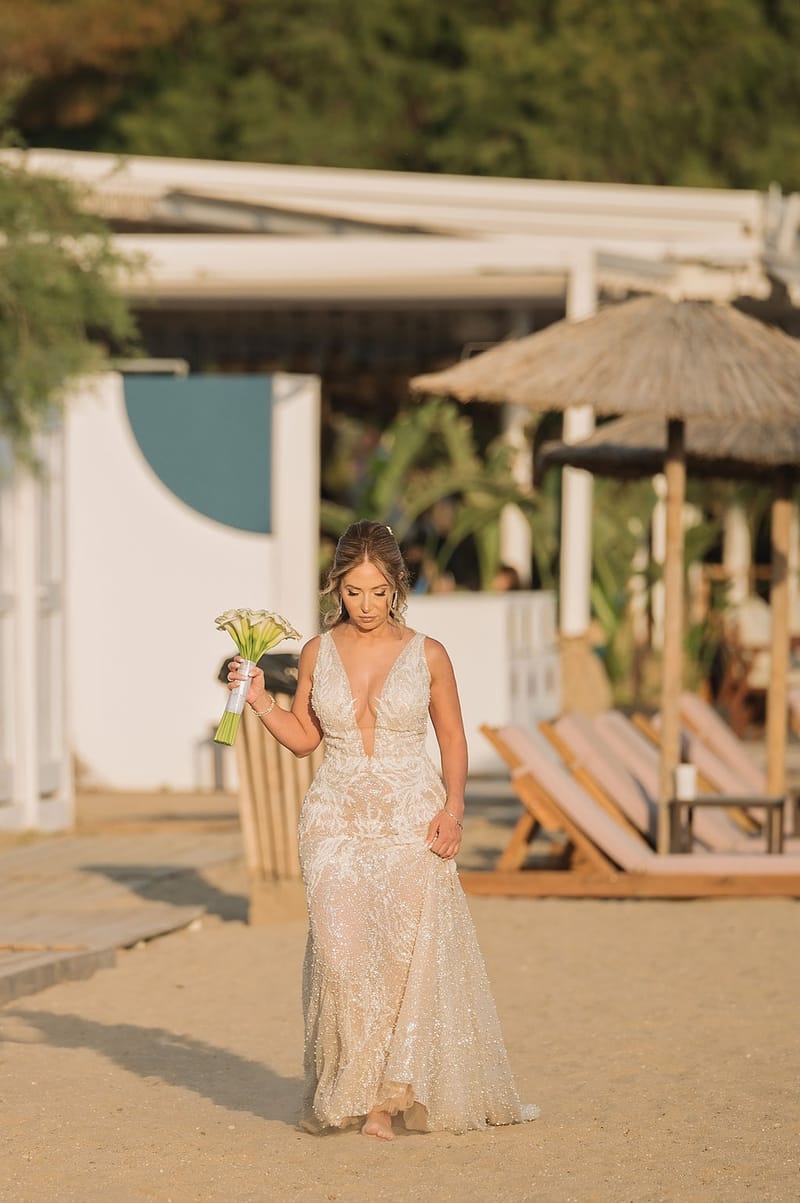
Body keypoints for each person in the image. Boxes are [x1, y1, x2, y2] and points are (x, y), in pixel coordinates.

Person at [228, 520, 538, 1140]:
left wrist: (453, 812)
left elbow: (452, 737)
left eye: (376, 592)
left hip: (409, 818)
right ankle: (363, 1085)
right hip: (334, 820)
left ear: (395, 586)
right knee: (342, 959)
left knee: (402, 960)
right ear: (335, 588)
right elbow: (305, 739)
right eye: (352, 592)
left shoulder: (428, 653)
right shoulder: (316, 652)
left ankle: (387, 1099)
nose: (365, 606)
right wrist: (261, 699)